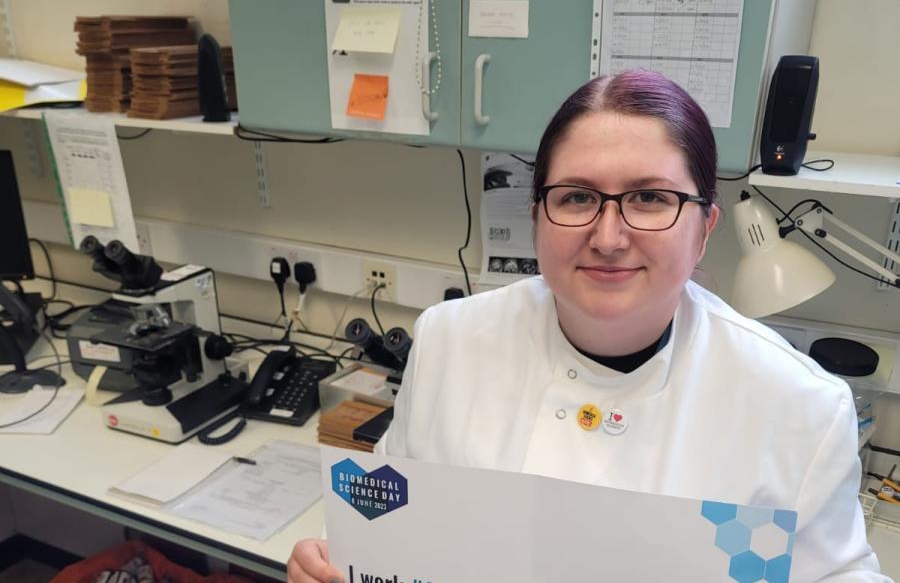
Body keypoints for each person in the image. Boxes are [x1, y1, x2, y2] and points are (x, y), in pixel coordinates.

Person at [288, 70, 888, 582]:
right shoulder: (451, 340)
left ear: (705, 228)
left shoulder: (798, 407)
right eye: (576, 198)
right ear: (537, 219)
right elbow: (396, 509)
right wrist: (337, 556)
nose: (607, 237)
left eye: (649, 198)